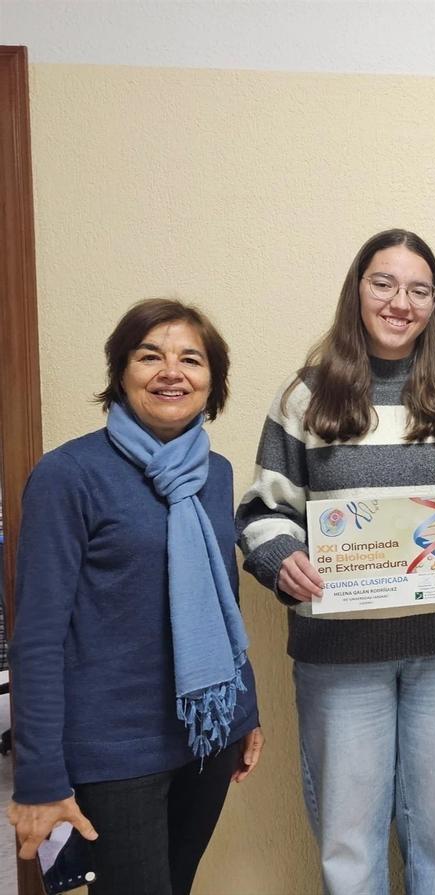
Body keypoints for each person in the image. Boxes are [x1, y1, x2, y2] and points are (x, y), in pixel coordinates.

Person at [236, 229, 435, 895]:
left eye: (419, 289)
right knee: (348, 839)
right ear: (357, 292)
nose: (401, 301)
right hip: (338, 653)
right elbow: (263, 510)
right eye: (384, 284)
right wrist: (282, 559)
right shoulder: (305, 394)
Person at [8, 299, 263, 895]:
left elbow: (223, 600)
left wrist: (244, 711)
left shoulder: (216, 472)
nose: (170, 372)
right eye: (150, 356)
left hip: (206, 739)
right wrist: (40, 775)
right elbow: (38, 638)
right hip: (113, 752)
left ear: (211, 381)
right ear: (120, 373)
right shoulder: (68, 475)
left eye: (190, 359)